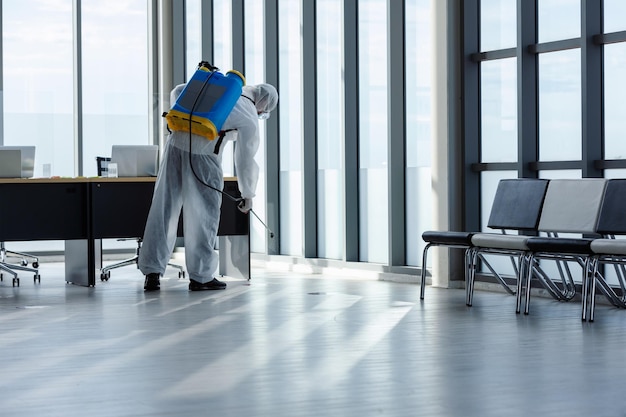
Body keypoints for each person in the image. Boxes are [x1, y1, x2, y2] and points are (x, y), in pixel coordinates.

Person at [138, 79, 278, 291]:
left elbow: (178, 90)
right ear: (262, 105)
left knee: (164, 208)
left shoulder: (222, 90)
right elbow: (245, 158)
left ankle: (152, 272)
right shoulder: (249, 113)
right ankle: (201, 277)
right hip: (203, 155)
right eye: (263, 112)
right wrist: (247, 193)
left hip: (175, 145)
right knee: (204, 216)